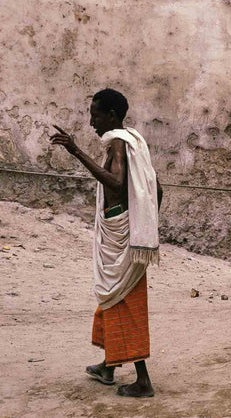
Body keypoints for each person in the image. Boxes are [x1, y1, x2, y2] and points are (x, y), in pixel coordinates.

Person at [50, 88, 162, 398]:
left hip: (121, 236)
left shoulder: (118, 144)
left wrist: (76, 152)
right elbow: (155, 185)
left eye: (95, 115)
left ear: (111, 116)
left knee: (122, 301)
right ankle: (108, 366)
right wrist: (145, 221)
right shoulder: (135, 142)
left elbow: (115, 182)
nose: (91, 122)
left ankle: (142, 381)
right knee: (110, 296)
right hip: (125, 231)